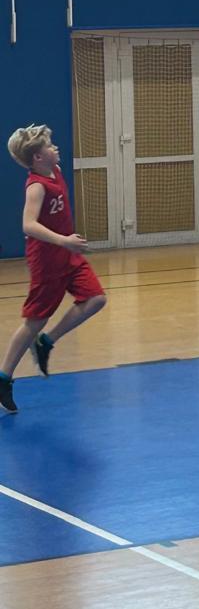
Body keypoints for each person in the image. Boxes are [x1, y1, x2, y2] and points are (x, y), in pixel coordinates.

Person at [2, 124, 106, 416]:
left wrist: (67, 245)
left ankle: (46, 342)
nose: (55, 147)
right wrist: (64, 240)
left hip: (67, 255)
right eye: (49, 145)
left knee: (96, 299)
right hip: (47, 260)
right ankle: (3, 377)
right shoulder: (36, 185)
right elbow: (28, 225)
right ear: (37, 157)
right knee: (34, 321)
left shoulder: (55, 171)